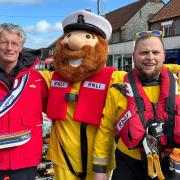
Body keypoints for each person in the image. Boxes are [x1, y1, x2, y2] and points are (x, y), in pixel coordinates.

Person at [40, 9, 117, 180]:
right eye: (69, 36)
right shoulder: (50, 78)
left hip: (98, 165)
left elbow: (142, 78)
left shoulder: (113, 78)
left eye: (88, 37)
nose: (74, 42)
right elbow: (21, 76)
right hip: (63, 161)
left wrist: (171, 70)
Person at [93, 30, 180, 180]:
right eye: (144, 52)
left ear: (164, 55)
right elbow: (105, 131)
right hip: (128, 164)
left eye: (155, 52)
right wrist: (100, 171)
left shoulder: (177, 86)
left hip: (168, 163)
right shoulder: (118, 91)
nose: (150, 57)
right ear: (133, 56)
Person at [0, 23, 48, 180]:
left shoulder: (36, 79)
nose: (9, 48)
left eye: (15, 43)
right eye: (4, 42)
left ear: (21, 47)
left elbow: (56, 110)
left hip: (25, 160)